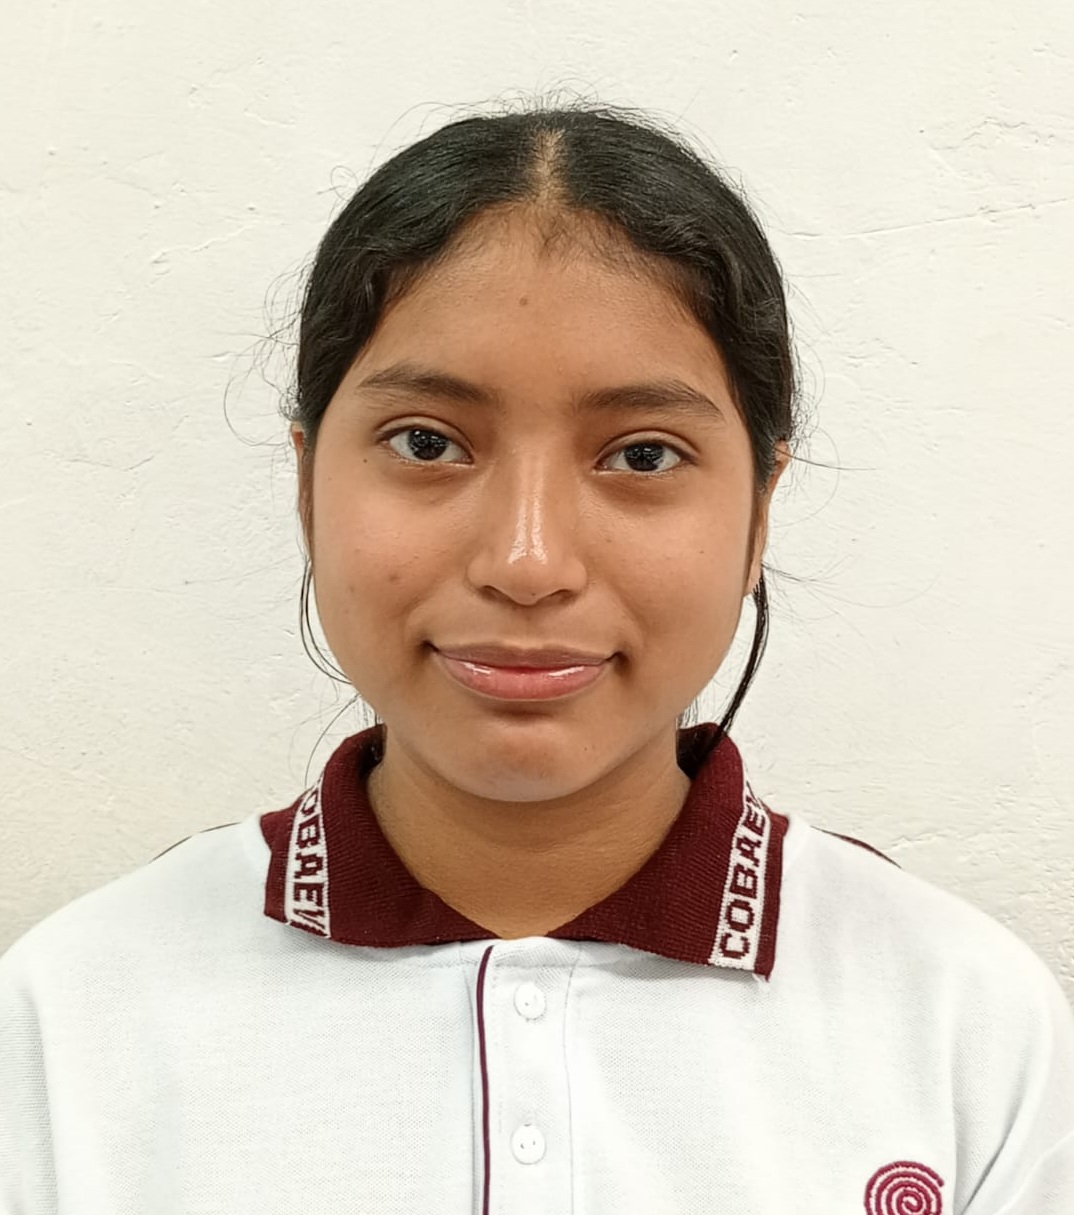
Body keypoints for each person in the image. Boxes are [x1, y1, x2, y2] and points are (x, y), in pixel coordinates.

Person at [2, 99, 1072, 1215]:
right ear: (308, 488)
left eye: (643, 455)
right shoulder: (70, 1022)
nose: (527, 562)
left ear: (759, 513)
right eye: (427, 442)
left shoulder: (963, 1026)